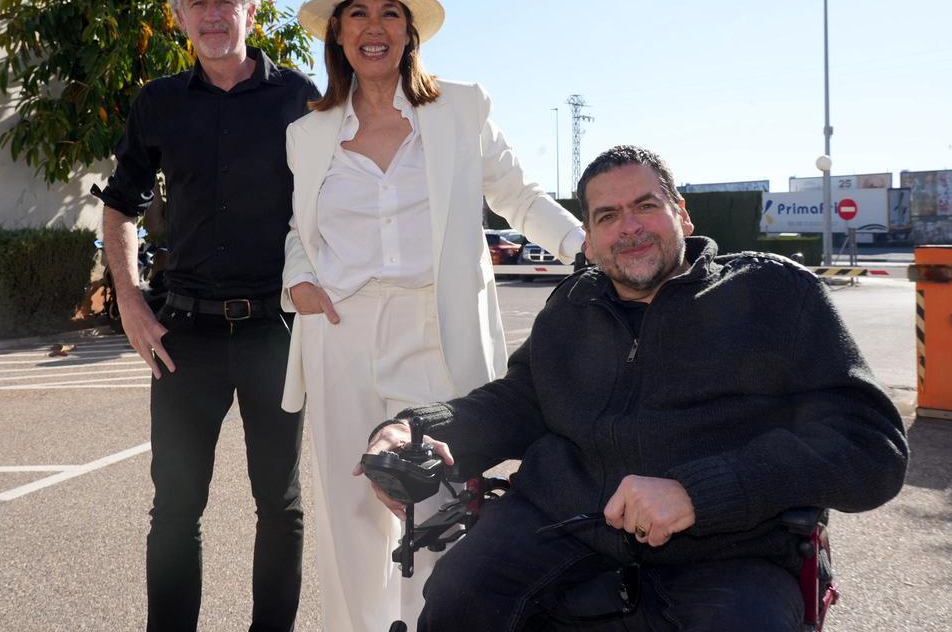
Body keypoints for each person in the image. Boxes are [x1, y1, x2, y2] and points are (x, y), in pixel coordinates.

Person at [365, 145, 910, 632]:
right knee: (457, 599)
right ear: (590, 235)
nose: (629, 227)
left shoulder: (774, 294)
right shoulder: (570, 307)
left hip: (731, 546)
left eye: (646, 206)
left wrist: (701, 491)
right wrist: (413, 428)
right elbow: (518, 401)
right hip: (560, 522)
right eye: (607, 215)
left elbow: (870, 448)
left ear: (682, 214)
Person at [280, 0, 584, 632]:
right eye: (357, 12)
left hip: (435, 332)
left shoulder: (461, 109)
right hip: (341, 332)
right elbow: (303, 227)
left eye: (390, 11)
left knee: (441, 508)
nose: (374, 25)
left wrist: (582, 247)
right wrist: (295, 277)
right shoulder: (308, 134)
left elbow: (518, 194)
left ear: (411, 31)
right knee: (349, 513)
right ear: (337, 34)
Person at [96, 0, 320, 632]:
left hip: (272, 334)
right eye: (197, 2)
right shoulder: (159, 103)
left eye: (226, 0)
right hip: (183, 333)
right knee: (174, 509)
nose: (213, 14)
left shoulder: (300, 98)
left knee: (278, 506)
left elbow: (333, 203)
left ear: (251, 9)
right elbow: (119, 206)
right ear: (179, 19)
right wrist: (131, 301)